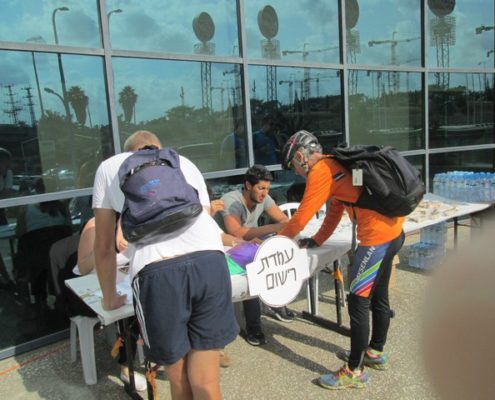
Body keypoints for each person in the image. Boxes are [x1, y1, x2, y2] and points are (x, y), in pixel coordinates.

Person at [93, 130, 238, 399]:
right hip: (210, 262)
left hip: (157, 272)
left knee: (179, 377)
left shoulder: (108, 168)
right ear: (157, 147)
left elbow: (102, 247)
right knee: (206, 381)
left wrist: (110, 298)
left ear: (128, 151)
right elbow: (202, 219)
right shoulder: (183, 162)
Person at [279, 130, 405, 390]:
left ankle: (354, 370)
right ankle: (375, 352)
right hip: (395, 233)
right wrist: (317, 240)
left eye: (293, 164)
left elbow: (301, 218)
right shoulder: (336, 163)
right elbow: (336, 208)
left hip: (376, 240)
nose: (295, 170)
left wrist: (275, 244)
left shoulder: (320, 171)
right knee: (379, 295)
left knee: (358, 301)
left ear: (301, 156)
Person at [60, 216, 147, 391]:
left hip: (115, 281)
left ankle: (153, 352)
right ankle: (125, 367)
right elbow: (83, 268)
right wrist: (103, 248)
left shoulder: (131, 220)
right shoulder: (95, 225)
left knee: (141, 300)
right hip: (85, 290)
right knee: (126, 310)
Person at [215, 164, 295, 346]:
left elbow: (283, 220)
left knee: (276, 255)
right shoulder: (231, 200)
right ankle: (253, 326)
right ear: (248, 185)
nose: (264, 193)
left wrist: (276, 232)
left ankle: (276, 302)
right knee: (254, 268)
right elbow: (236, 232)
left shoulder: (264, 197)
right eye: (260, 188)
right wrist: (273, 229)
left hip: (248, 244)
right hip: (224, 248)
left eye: (267, 188)